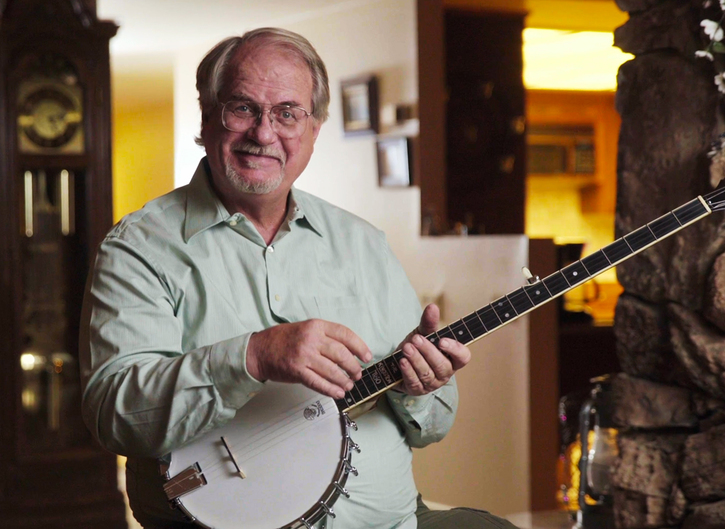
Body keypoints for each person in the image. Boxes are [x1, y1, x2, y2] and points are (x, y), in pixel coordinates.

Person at [80, 27, 518, 529]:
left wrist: (421, 385)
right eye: (242, 108)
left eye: (288, 113)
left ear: (314, 129)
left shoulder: (363, 243)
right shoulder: (138, 247)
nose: (264, 134)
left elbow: (430, 427)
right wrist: (254, 356)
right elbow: (112, 412)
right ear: (206, 116)